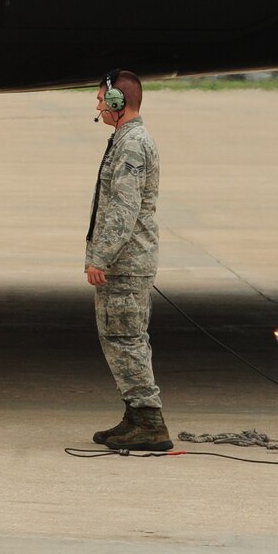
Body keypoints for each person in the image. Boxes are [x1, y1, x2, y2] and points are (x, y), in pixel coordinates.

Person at [84, 68, 169, 451]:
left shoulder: (132, 144)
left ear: (119, 102)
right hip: (127, 259)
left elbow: (124, 205)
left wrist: (101, 256)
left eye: (102, 99)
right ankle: (135, 416)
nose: (99, 105)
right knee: (122, 339)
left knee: (126, 340)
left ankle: (150, 422)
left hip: (126, 261)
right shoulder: (124, 139)